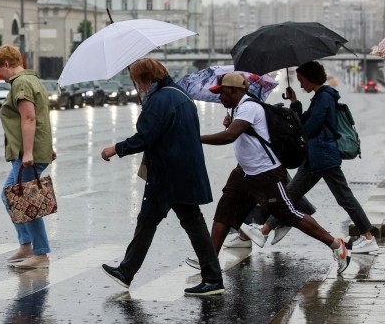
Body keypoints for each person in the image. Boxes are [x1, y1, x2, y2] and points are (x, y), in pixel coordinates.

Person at [199, 72, 352, 275]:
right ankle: (210, 265)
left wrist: (195, 138)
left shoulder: (249, 107)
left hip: (266, 173)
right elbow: (242, 133)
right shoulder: (239, 108)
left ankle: (336, 245)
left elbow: (230, 136)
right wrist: (232, 122)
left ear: (235, 90)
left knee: (290, 214)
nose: (220, 97)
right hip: (244, 173)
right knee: (224, 213)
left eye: (223, 92)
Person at [100, 58, 224, 296]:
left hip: (167, 173)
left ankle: (212, 278)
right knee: (171, 222)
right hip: (181, 170)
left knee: (160, 222)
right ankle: (128, 271)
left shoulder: (160, 99)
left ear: (147, 78)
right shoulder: (179, 95)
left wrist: (116, 148)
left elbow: (146, 136)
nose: (139, 86)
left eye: (138, 81)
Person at [240, 61, 378, 254]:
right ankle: (264, 231)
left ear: (310, 78)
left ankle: (368, 237)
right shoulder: (319, 97)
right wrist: (295, 103)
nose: (301, 84)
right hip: (315, 158)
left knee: (344, 198)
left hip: (323, 156)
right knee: (289, 195)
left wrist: (293, 133)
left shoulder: (325, 96)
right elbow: (304, 121)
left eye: (301, 80)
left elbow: (309, 126)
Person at [0, 45, 56, 269]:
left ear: (7, 64)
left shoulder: (20, 83)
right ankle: (27, 245)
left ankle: (40, 253)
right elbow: (41, 115)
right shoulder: (33, 80)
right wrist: (46, 147)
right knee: (17, 197)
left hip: (27, 153)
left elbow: (29, 118)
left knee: (24, 200)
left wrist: (29, 151)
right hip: (35, 150)